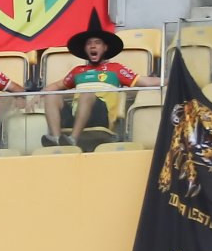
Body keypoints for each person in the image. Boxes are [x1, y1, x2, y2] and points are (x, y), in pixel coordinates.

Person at [46, 11, 161, 150]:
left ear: (105, 48)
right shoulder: (77, 70)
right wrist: (37, 95)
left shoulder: (115, 69)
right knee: (51, 95)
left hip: (102, 116)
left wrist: (169, 80)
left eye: (97, 43)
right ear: (85, 49)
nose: (93, 46)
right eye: (89, 43)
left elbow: (144, 81)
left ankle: (73, 139)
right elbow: (56, 85)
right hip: (76, 116)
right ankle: (57, 140)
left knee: (88, 94)